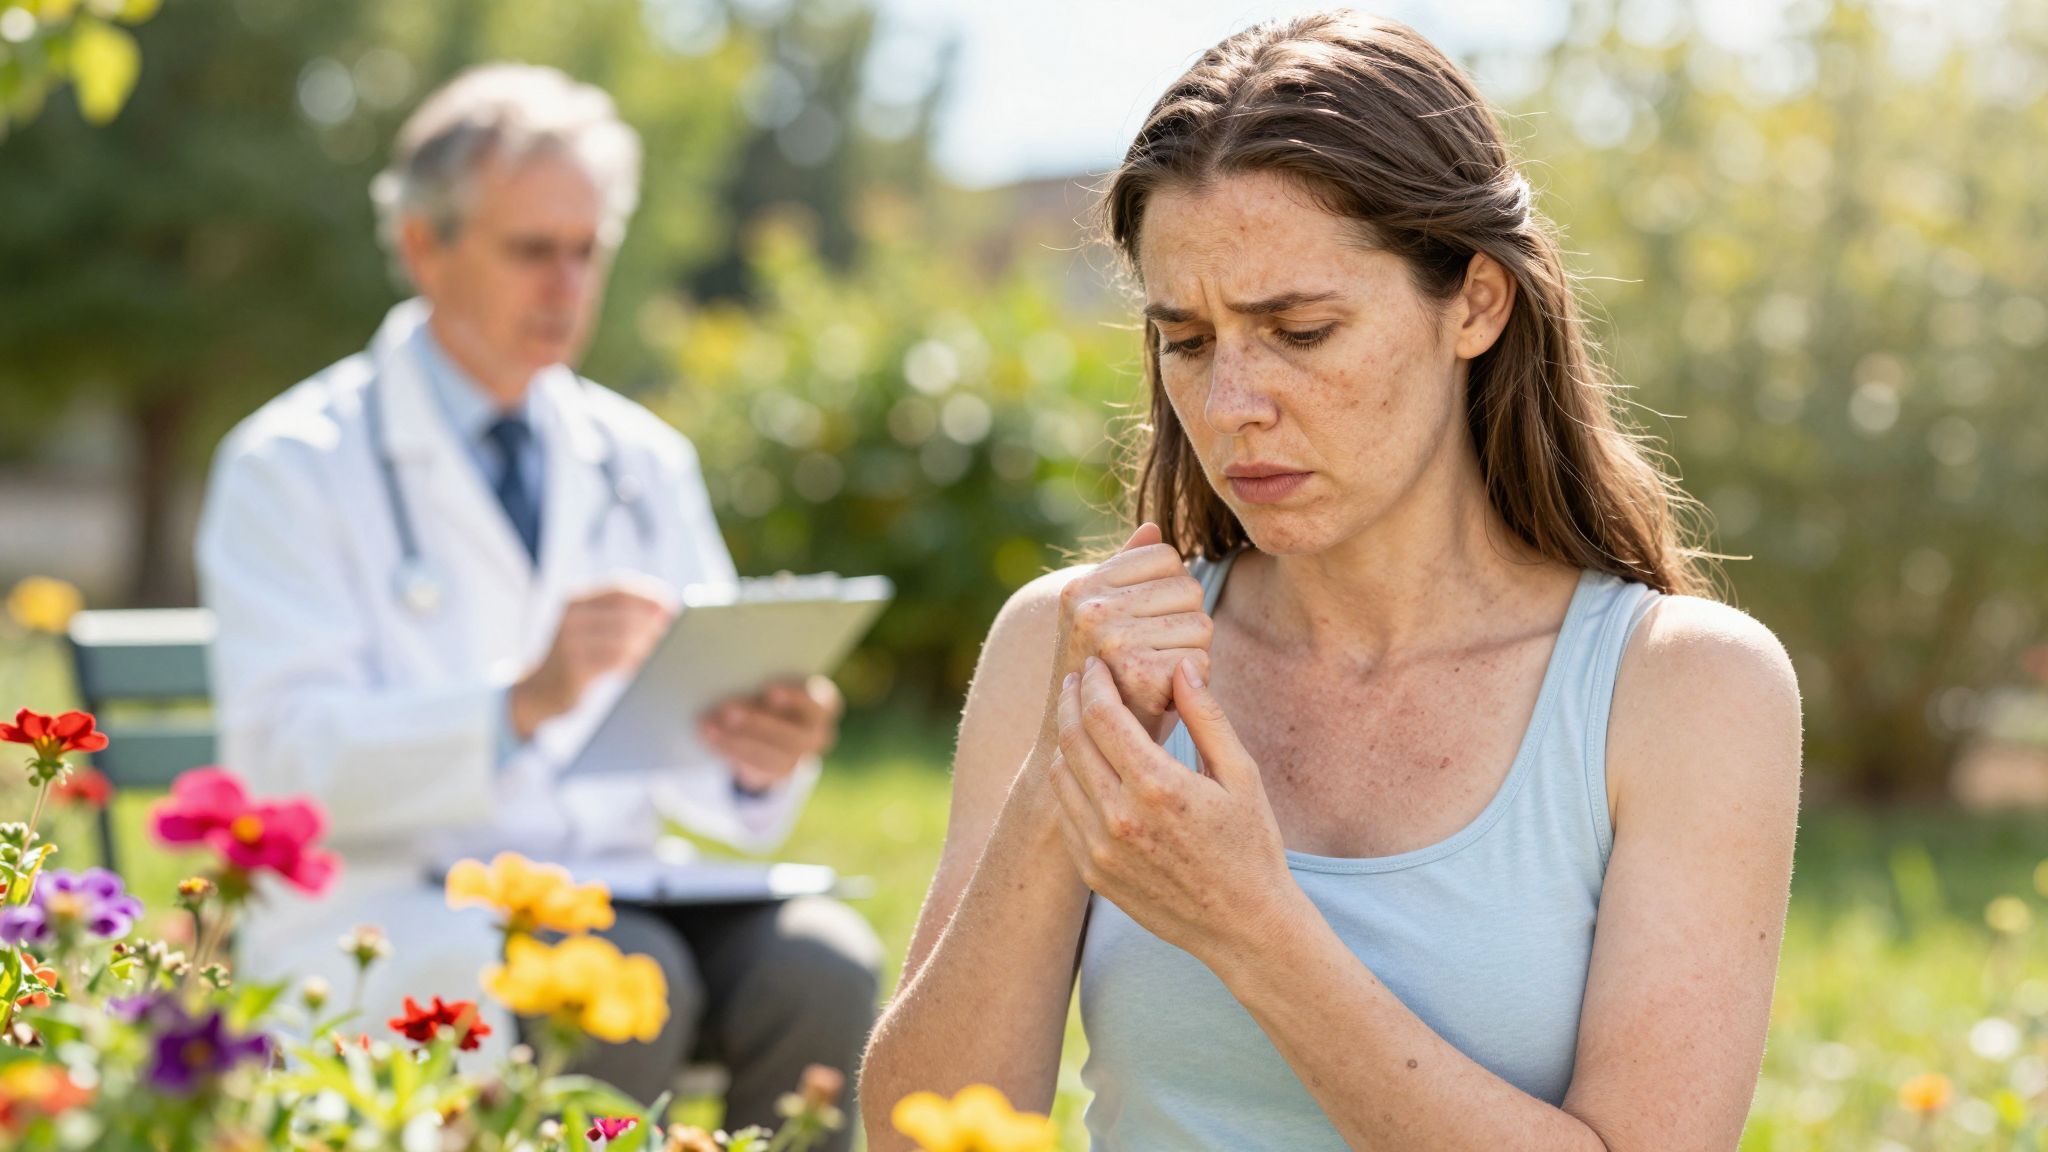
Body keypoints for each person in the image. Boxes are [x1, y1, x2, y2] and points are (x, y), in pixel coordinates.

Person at [862, 12, 1801, 1150]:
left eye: (1300, 330)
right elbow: (914, 1137)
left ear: (1475, 302)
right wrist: (1073, 759)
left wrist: (1253, 928)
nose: (1229, 407)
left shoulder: (1684, 691)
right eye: (1186, 341)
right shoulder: (1069, 645)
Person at [196, 64, 877, 1143]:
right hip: (393, 906)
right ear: (424, 245)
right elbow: (285, 762)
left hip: (622, 885)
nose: (567, 284)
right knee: (622, 972)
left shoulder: (641, 459)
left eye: (586, 250)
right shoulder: (291, 465)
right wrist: (519, 702)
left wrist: (760, 747)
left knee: (822, 964)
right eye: (531, 250)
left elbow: (685, 734)